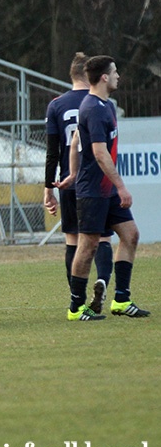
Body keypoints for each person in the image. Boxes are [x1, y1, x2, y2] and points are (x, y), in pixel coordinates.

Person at [64, 55, 149, 321]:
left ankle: (121, 300)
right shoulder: (94, 108)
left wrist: (73, 172)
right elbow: (100, 154)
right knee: (88, 246)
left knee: (131, 235)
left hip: (106, 190)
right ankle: (76, 308)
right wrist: (121, 187)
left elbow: (77, 139)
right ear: (103, 77)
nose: (118, 76)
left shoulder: (106, 105)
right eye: (115, 72)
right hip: (93, 191)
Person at [43, 52, 113, 310]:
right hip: (98, 181)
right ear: (90, 75)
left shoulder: (57, 105)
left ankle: (76, 299)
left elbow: (52, 152)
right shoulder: (99, 101)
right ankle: (103, 280)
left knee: (73, 240)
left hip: (69, 182)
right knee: (103, 238)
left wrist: (48, 188)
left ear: (71, 75)